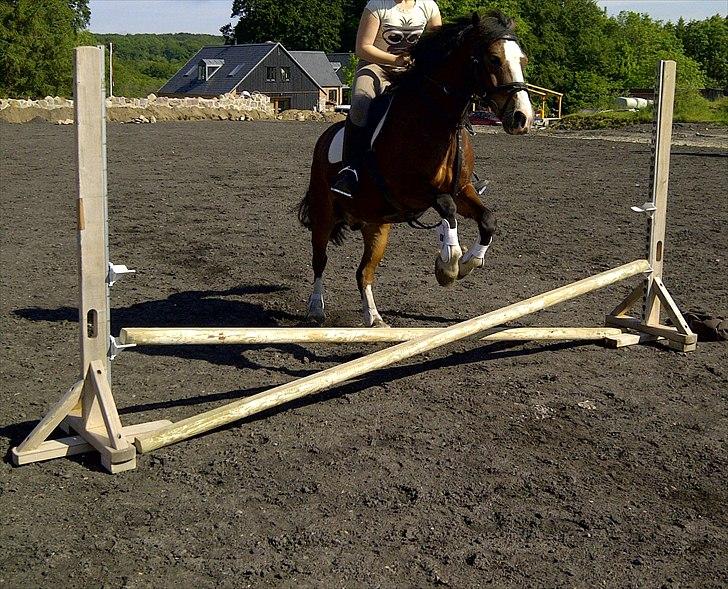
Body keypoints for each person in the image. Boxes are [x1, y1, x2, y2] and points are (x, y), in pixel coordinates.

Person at [331, 0, 442, 198]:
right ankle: (350, 169)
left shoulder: (429, 6)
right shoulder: (376, 5)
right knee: (359, 104)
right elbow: (362, 47)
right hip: (376, 67)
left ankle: (456, 172)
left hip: (412, 70)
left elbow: (439, 42)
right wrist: (396, 60)